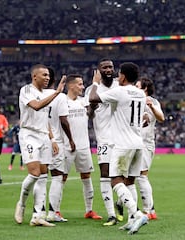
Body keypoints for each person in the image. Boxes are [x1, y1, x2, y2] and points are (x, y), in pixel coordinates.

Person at [89, 62, 149, 235]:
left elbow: (93, 99)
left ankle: (137, 214)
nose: (117, 76)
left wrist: (95, 83)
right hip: (138, 143)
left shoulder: (119, 91)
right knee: (130, 182)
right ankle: (131, 221)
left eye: (119, 74)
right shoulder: (140, 93)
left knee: (115, 180)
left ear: (123, 76)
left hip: (123, 144)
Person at [14, 64, 66, 227]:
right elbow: (36, 106)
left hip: (44, 136)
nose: (47, 78)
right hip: (29, 134)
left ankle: (37, 215)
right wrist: (57, 93)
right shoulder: (26, 90)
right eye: (44, 75)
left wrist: (52, 139)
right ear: (34, 76)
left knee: (43, 175)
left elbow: (46, 120)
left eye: (49, 76)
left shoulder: (45, 94)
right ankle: (21, 203)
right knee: (35, 173)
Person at [84, 58, 119, 226]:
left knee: (122, 176)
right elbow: (89, 115)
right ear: (98, 70)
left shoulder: (120, 85)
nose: (108, 69)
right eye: (104, 67)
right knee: (105, 175)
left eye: (111, 67)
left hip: (121, 138)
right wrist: (92, 108)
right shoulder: (92, 89)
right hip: (104, 138)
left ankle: (122, 204)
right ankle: (111, 214)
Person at [62, 74, 102, 220]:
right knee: (62, 177)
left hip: (84, 146)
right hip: (66, 146)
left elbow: (90, 116)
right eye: (79, 84)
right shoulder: (62, 101)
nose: (82, 87)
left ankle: (89, 210)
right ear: (71, 86)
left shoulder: (83, 101)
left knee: (86, 176)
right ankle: (56, 210)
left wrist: (92, 107)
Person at [44, 68, 76, 223]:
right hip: (56, 141)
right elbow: (64, 120)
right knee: (57, 177)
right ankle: (52, 213)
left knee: (41, 177)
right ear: (54, 80)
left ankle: (37, 211)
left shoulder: (37, 96)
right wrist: (71, 139)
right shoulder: (60, 97)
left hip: (40, 141)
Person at [135, 77, 165, 220]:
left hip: (145, 143)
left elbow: (161, 118)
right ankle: (132, 208)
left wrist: (151, 106)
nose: (135, 87)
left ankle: (150, 210)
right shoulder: (132, 100)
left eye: (137, 85)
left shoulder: (153, 101)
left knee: (142, 175)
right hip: (131, 142)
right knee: (128, 177)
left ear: (145, 88)